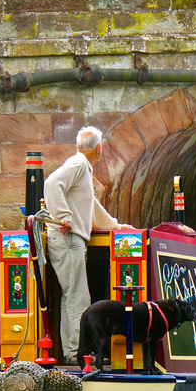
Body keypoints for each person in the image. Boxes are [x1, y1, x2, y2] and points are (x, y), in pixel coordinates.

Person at [44, 126, 133, 365]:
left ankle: (74, 351)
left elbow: (91, 206)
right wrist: (63, 216)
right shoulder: (79, 164)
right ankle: (75, 354)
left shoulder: (81, 168)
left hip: (71, 241)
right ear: (99, 148)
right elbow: (52, 183)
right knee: (76, 297)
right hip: (68, 240)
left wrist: (116, 227)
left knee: (74, 296)